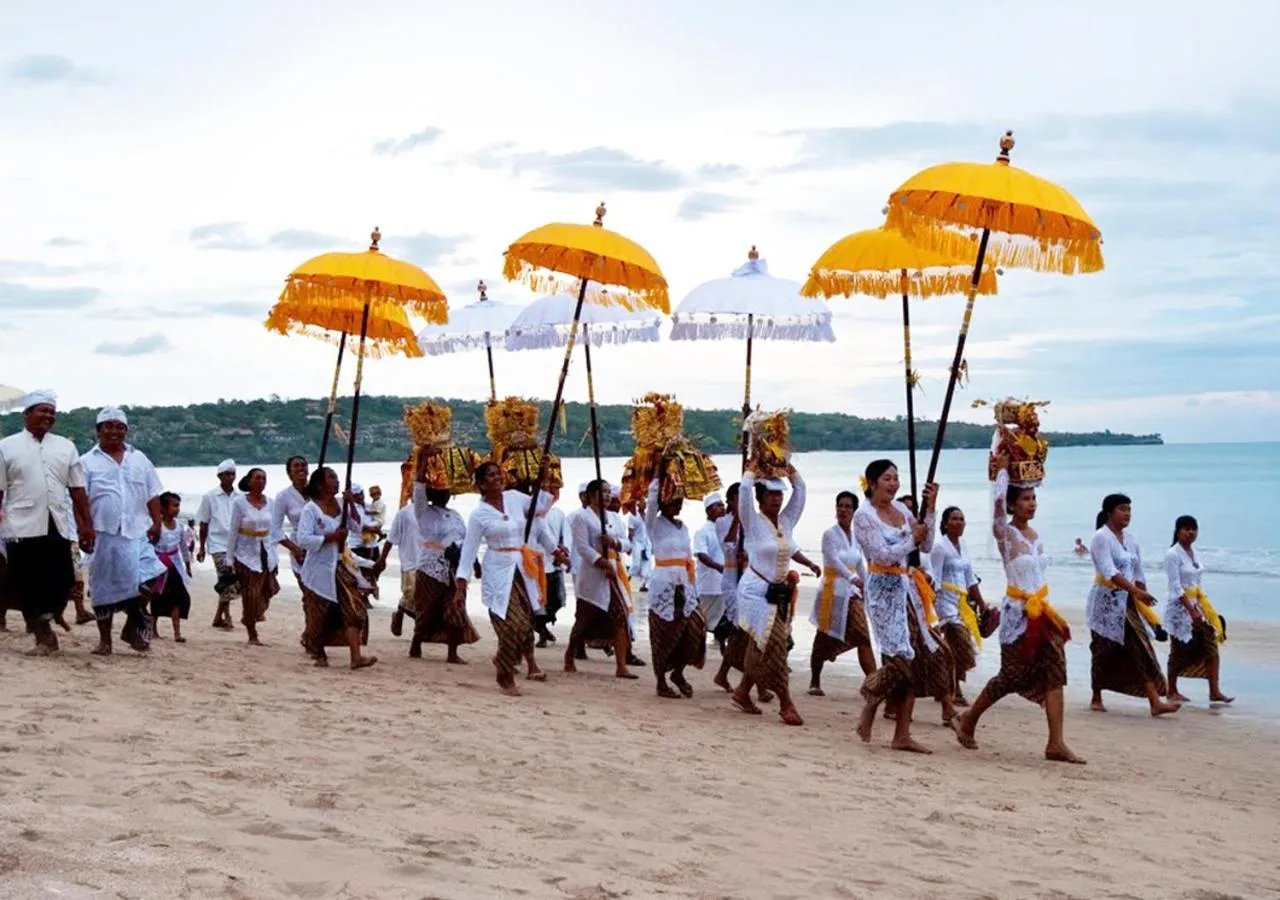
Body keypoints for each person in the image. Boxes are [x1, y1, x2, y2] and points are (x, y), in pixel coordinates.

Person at [953, 457, 1084, 763]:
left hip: (1042, 612)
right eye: (1025, 498)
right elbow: (998, 509)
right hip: (1018, 614)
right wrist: (1001, 473)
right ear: (1012, 504)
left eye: (1034, 498)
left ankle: (1056, 742)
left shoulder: (1035, 537)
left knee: (1055, 672)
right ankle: (968, 719)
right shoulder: (1006, 535)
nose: (1031, 503)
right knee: (1010, 676)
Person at [854, 459, 941, 753]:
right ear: (872, 483)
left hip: (906, 587)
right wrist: (911, 540)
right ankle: (871, 697)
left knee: (911, 658)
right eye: (887, 479)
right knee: (899, 662)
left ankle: (902, 734)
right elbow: (882, 555)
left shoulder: (902, 510)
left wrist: (930, 510)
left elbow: (925, 545)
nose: (893, 484)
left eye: (896, 478)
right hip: (881, 590)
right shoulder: (863, 516)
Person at [454, 461, 559, 695]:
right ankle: (505, 675)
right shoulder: (479, 515)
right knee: (512, 624)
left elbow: (541, 507)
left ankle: (505, 663)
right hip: (498, 571)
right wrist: (461, 588)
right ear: (481, 484)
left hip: (523, 568)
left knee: (526, 624)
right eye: (491, 475)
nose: (498, 477)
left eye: (498, 473)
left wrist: (540, 479)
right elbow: (468, 552)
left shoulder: (514, 498)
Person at [0, 391, 93, 654]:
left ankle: (48, 616)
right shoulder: (7, 447)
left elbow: (78, 490)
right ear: (27, 414)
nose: (48, 416)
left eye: (52, 412)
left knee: (63, 578)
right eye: (43, 410)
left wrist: (87, 526)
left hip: (57, 523)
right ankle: (43, 635)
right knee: (26, 581)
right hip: (20, 525)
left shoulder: (65, 447)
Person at [79, 407, 166, 656]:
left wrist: (157, 522)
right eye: (108, 426)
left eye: (120, 427)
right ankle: (105, 641)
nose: (114, 431)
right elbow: (79, 499)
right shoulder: (86, 462)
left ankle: (131, 623)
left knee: (153, 575)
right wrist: (84, 528)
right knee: (103, 588)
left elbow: (152, 493)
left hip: (137, 531)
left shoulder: (140, 459)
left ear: (126, 430)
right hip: (103, 534)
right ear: (98, 430)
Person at [729, 466, 811, 726]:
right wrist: (751, 471)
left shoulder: (787, 521)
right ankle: (786, 703)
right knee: (773, 643)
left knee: (761, 644)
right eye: (771, 494)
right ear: (760, 498)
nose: (777, 498)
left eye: (779, 494)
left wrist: (789, 468)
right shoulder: (751, 522)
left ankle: (742, 692)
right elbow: (744, 491)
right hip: (754, 591)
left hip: (778, 593)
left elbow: (801, 491)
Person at [1086, 494, 1180, 716]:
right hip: (1106, 601)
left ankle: (1154, 701)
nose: (1127, 513)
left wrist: (1143, 598)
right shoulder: (1101, 537)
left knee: (1138, 646)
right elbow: (1109, 571)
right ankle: (1096, 696)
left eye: (1129, 509)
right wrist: (1135, 591)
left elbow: (1138, 571)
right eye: (1122, 509)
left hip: (1128, 601)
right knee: (1102, 649)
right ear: (1109, 512)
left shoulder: (1131, 539)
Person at [398, 455, 479, 662]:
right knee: (427, 610)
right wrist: (423, 461)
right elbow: (418, 488)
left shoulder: (455, 515)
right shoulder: (423, 512)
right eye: (440, 491)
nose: (444, 495)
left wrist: (475, 563)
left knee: (455, 609)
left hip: (454, 568)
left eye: (447, 492)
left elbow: (466, 540)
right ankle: (417, 641)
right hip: (430, 567)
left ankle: (452, 652)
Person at [296, 467, 377, 669]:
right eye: (331, 477)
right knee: (319, 614)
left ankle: (356, 656)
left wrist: (352, 504)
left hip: (341, 566)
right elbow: (303, 539)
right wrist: (331, 537)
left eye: (336, 477)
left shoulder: (342, 505)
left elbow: (357, 527)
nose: (336, 481)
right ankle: (319, 653)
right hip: (318, 569)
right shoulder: (311, 509)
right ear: (319, 484)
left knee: (352, 609)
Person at [566, 480, 639, 680]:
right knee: (585, 619)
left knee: (620, 616)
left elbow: (627, 544)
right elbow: (582, 547)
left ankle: (621, 666)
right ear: (591, 495)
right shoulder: (581, 517)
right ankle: (570, 654)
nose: (607, 496)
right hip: (592, 573)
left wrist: (614, 542)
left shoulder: (614, 518)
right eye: (602, 492)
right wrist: (602, 563)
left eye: (608, 492)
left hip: (614, 573)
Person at [643, 477, 706, 698]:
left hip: (684, 583)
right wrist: (657, 478)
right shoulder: (654, 524)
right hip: (664, 583)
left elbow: (688, 557)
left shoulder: (683, 527)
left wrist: (693, 588)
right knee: (663, 634)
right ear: (664, 502)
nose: (678, 505)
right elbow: (651, 503)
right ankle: (661, 681)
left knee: (694, 629)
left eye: (680, 501)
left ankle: (678, 672)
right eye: (673, 501)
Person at [809, 490, 875, 696]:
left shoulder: (856, 538)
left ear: (854, 511)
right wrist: (852, 578)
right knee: (823, 636)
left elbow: (860, 564)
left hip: (852, 594)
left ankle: (874, 683)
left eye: (848, 507)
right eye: (840, 506)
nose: (843, 510)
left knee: (863, 634)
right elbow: (833, 561)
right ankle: (815, 680)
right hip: (833, 592)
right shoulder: (829, 535)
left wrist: (868, 586)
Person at [1165, 515, 1233, 705]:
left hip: (1197, 605)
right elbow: (1175, 586)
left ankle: (1214, 691)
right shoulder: (1172, 554)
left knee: (1210, 645)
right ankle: (1172, 690)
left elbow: (1197, 584)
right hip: (1179, 609)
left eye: (1194, 529)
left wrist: (1204, 608)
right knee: (1179, 650)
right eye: (1186, 529)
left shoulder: (1194, 554)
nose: (1191, 533)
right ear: (1178, 531)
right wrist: (1190, 609)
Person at [930, 506, 986, 704]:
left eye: (961, 519)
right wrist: (932, 608)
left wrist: (981, 603)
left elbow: (970, 577)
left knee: (956, 648)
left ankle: (948, 688)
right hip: (945, 602)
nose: (959, 522)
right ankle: (954, 690)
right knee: (961, 644)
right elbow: (935, 578)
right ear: (945, 524)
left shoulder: (963, 545)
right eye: (954, 519)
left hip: (962, 603)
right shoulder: (940, 548)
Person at [225, 467, 280, 646]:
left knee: (269, 589)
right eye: (257, 478)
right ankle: (252, 632)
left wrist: (276, 553)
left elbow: (274, 529)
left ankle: (253, 615)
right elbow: (233, 530)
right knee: (250, 594)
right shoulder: (240, 503)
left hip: (266, 551)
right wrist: (229, 558)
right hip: (246, 554)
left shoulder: (270, 502)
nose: (261, 481)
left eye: (264, 478)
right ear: (249, 481)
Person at [197, 459, 241, 630]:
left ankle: (218, 616)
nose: (230, 477)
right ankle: (226, 615)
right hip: (218, 543)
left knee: (232, 580)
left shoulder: (239, 497)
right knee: (225, 577)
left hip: (237, 544)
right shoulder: (210, 497)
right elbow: (204, 523)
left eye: (232, 474)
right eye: (226, 474)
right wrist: (202, 548)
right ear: (220, 476)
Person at [151, 491, 193, 642]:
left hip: (174, 566)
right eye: (174, 506)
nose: (177, 509)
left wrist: (188, 566)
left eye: (178, 506)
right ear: (162, 508)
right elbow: (148, 545)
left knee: (178, 597)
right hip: (158, 567)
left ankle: (177, 632)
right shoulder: (156, 526)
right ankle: (153, 629)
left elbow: (183, 547)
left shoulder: (179, 527)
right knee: (156, 597)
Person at [534, 487, 571, 648]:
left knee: (557, 600)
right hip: (535, 562)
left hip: (554, 562)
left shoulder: (559, 514)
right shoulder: (532, 513)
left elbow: (565, 537)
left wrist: (563, 552)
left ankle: (540, 625)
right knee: (540, 601)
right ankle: (542, 632)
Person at [693, 492, 726, 650]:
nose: (722, 508)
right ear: (709, 510)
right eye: (718, 505)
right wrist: (719, 567)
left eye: (723, 504)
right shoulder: (703, 531)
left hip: (724, 582)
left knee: (721, 616)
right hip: (708, 583)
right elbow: (701, 554)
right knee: (703, 617)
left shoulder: (725, 530)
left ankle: (719, 643)